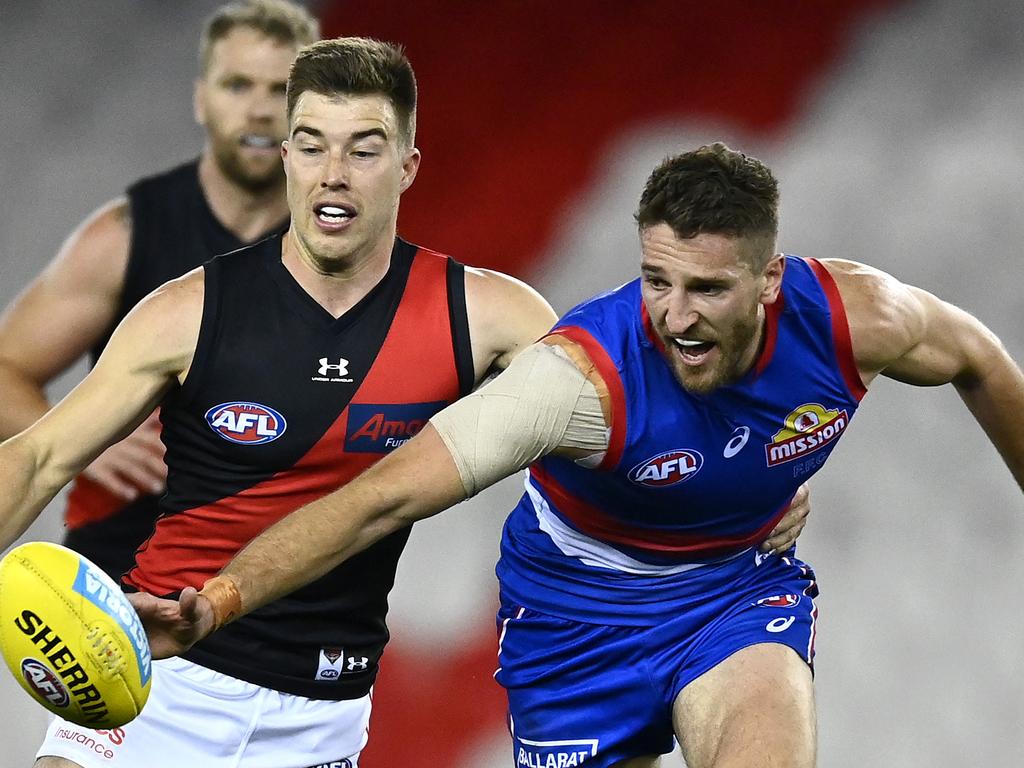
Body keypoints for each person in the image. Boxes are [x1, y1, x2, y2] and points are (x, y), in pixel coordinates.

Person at [0, 44, 809, 767]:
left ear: (409, 165)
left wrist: (750, 486)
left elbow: (639, 416)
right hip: (161, 688)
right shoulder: (190, 311)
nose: (334, 174)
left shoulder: (484, 315)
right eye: (311, 146)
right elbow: (37, 455)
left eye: (364, 149)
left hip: (322, 719)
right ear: (284, 157)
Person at [136, 142, 1024, 768]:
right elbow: (380, 499)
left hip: (736, 591)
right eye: (656, 279)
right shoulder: (575, 384)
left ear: (771, 279)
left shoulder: (858, 320)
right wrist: (218, 602)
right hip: (576, 624)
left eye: (708, 288)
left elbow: (983, 359)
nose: (674, 317)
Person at [0, 0, 318, 580]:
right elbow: (4, 369)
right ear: (202, 97)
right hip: (117, 583)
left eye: (281, 90)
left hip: (274, 595)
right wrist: (94, 442)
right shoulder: (127, 235)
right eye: (238, 84)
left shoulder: (345, 251)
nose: (259, 109)